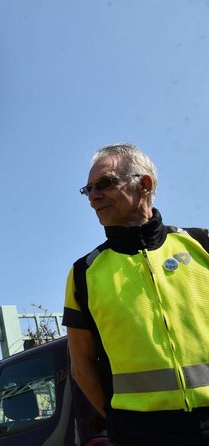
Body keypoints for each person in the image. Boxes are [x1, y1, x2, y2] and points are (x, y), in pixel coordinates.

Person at [63, 143, 209, 446]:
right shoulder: (83, 274)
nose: (93, 197)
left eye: (104, 184)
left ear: (144, 184)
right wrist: (119, 422)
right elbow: (81, 366)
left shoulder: (201, 244)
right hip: (141, 433)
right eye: (87, 189)